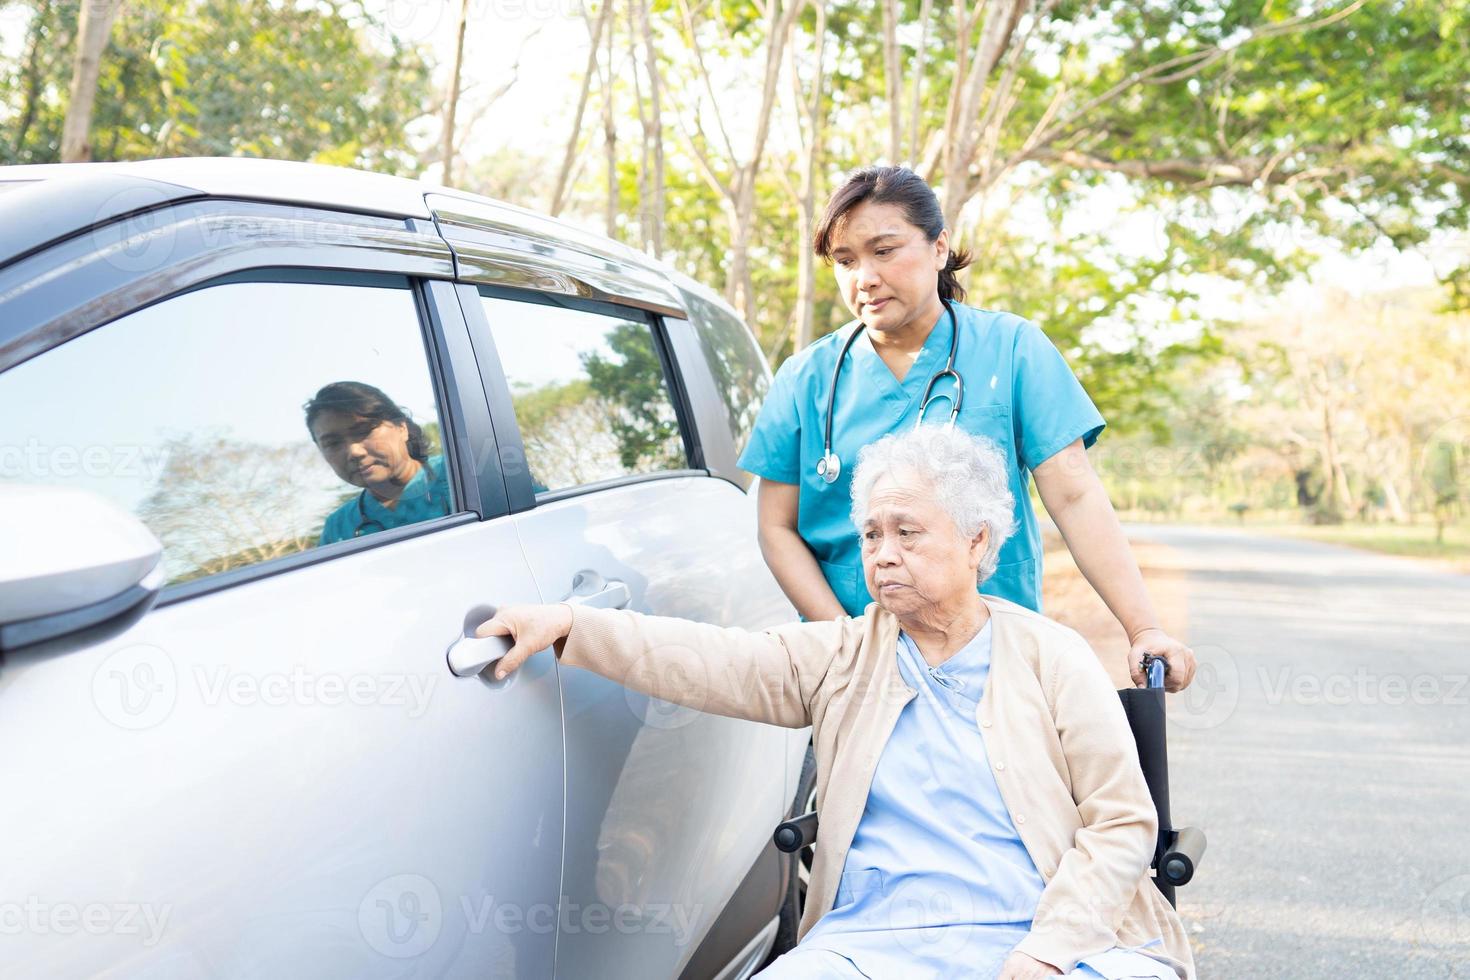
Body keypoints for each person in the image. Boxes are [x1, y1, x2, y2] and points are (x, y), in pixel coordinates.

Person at [477, 426, 1194, 980]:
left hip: (1045, 934)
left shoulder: (1050, 655)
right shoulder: (845, 653)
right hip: (873, 942)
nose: (881, 554)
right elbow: (711, 660)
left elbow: (1122, 823)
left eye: (907, 532)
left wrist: (1049, 950)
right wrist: (576, 626)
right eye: (872, 534)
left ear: (978, 542)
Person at [739, 165, 1195, 691]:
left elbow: (1074, 496)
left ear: (939, 247)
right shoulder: (805, 379)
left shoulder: (1013, 349)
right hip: (852, 672)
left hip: (993, 662)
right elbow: (776, 526)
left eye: (883, 251)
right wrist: (849, 644)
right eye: (845, 261)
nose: (862, 277)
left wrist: (1143, 627)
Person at [304, 381, 450, 545]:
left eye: (363, 432)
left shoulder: (459, 476)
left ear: (402, 428)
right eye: (333, 443)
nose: (354, 452)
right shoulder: (338, 529)